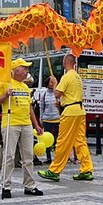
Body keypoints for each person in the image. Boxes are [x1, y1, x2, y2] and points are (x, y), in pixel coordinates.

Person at [0, 58, 45, 198]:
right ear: (16, 70)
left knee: (28, 157)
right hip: (11, 123)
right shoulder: (4, 83)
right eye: (24, 68)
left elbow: (30, 108)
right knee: (9, 156)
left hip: (26, 124)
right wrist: (5, 95)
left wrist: (36, 124)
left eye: (27, 68)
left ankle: (29, 185)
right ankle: (6, 186)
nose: (27, 71)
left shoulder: (25, 87)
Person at [37, 53, 94, 182]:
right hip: (80, 110)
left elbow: (57, 93)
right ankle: (86, 168)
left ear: (64, 63)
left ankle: (54, 170)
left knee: (62, 141)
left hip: (70, 112)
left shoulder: (66, 76)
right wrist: (61, 103)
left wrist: (56, 83)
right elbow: (68, 95)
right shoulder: (77, 77)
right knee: (80, 141)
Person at [38, 75, 60, 164]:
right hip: (47, 120)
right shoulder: (44, 95)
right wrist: (41, 118)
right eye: (50, 82)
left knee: (57, 140)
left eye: (53, 82)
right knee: (47, 140)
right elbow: (41, 107)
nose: (51, 84)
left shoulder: (58, 94)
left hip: (57, 119)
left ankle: (57, 157)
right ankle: (48, 157)